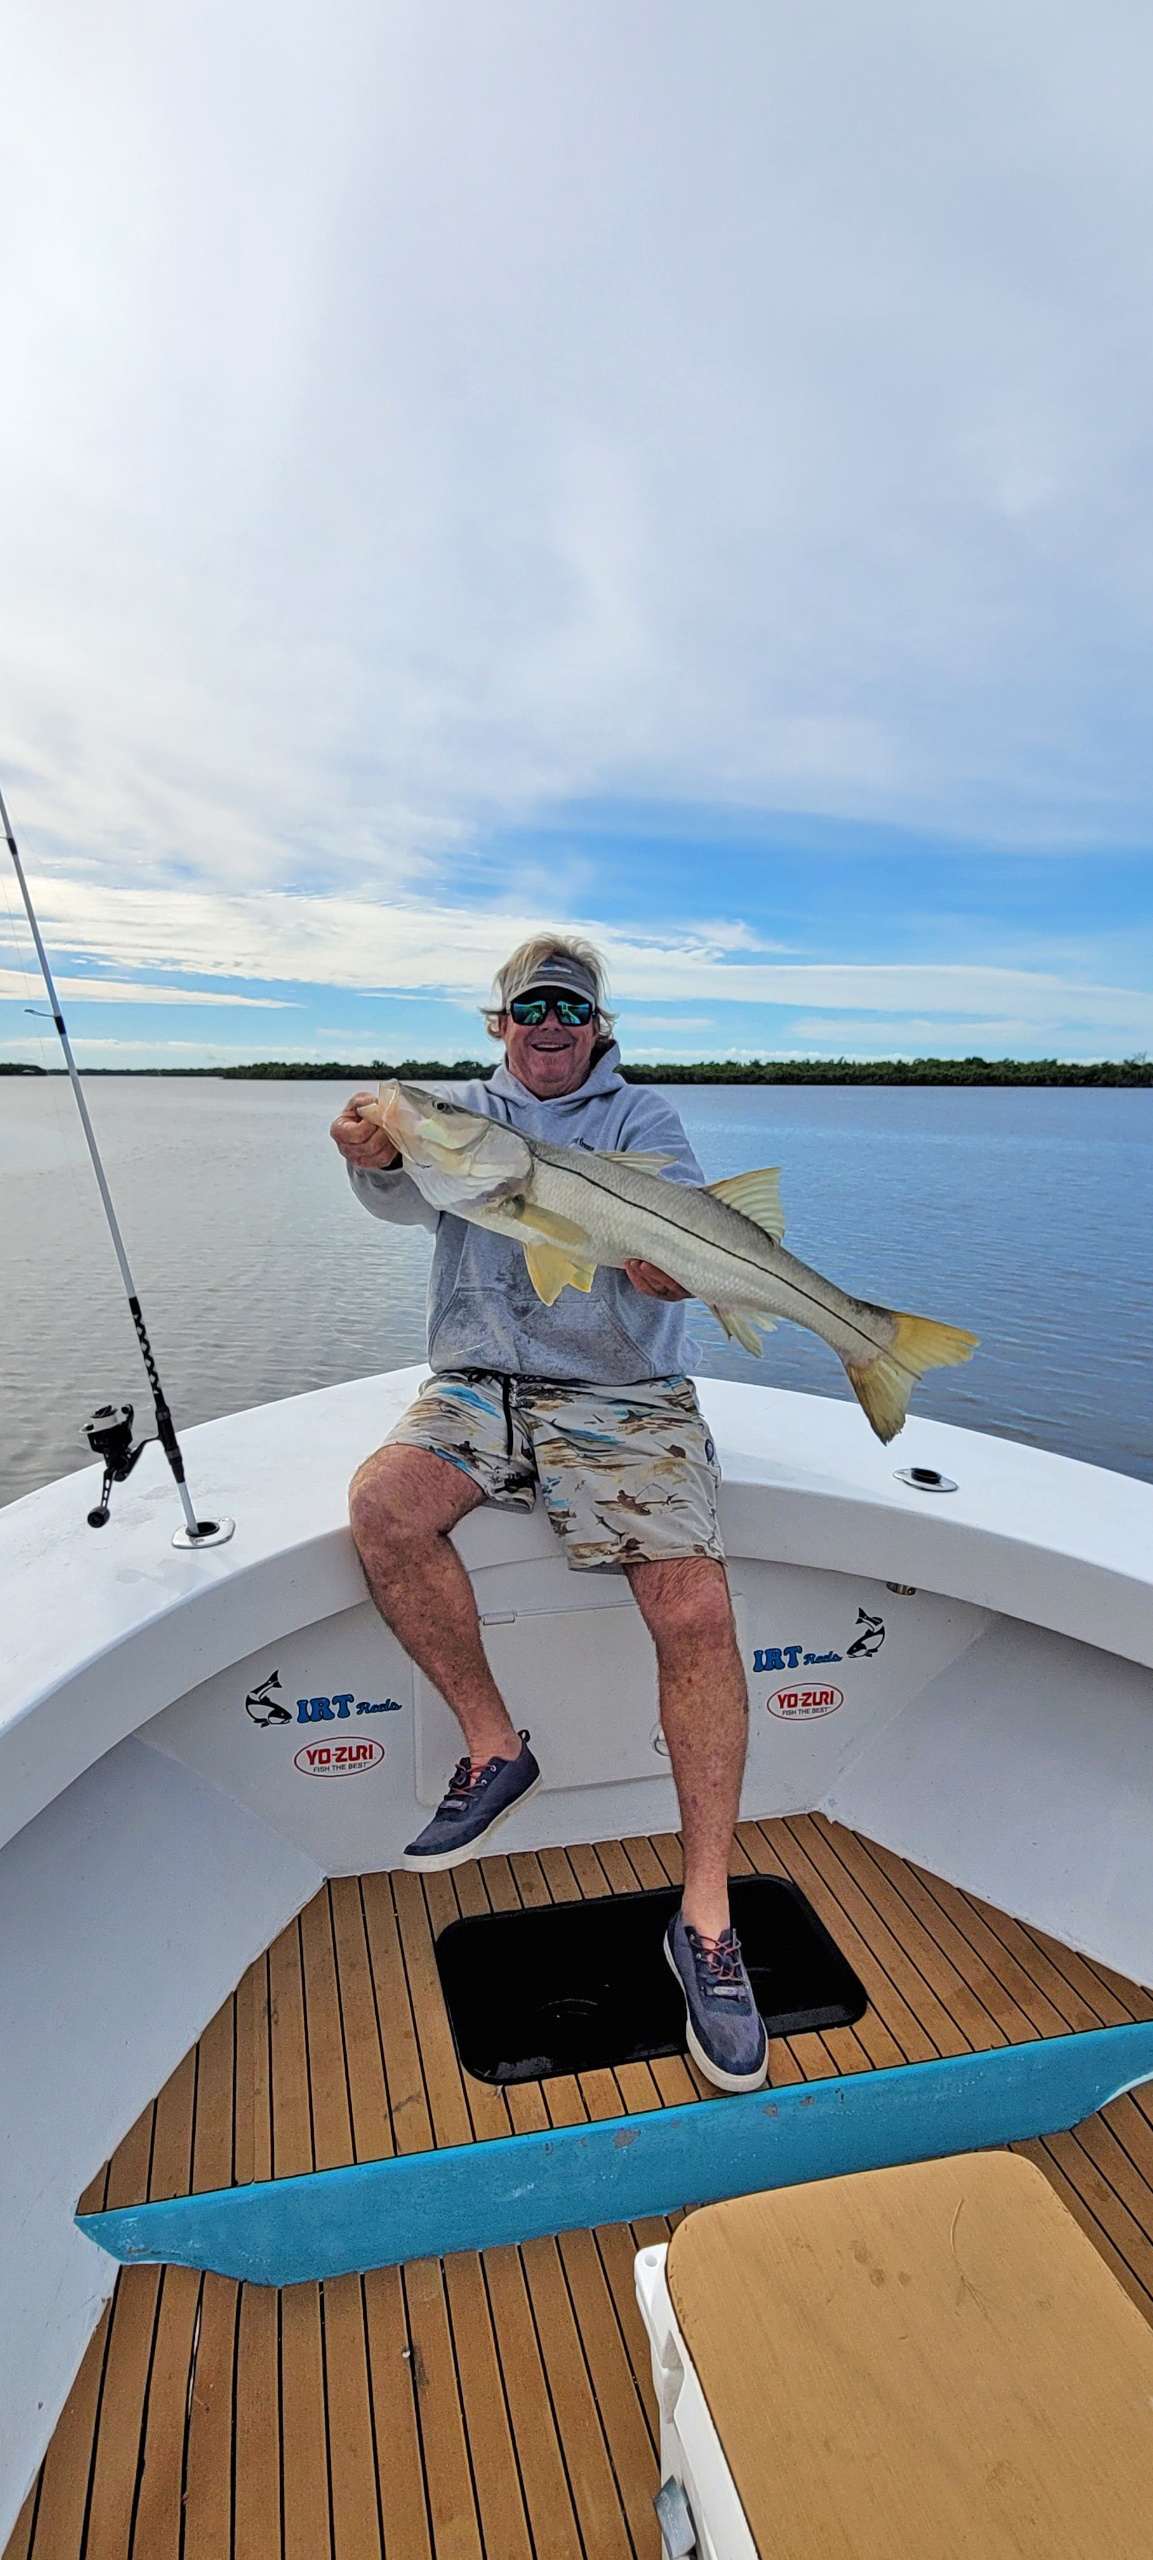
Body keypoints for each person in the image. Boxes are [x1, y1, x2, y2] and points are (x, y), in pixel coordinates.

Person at [330, 933, 767, 2094]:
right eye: (529, 1003)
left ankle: (709, 1918)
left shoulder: (642, 1123)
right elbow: (398, 1194)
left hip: (624, 1394)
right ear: (500, 1019)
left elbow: (677, 1230)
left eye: (570, 1004)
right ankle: (493, 1745)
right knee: (383, 1506)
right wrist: (376, 1148)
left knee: (694, 1611)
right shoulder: (464, 1121)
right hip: (478, 1380)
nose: (549, 1020)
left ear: (598, 1024)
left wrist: (670, 1266)